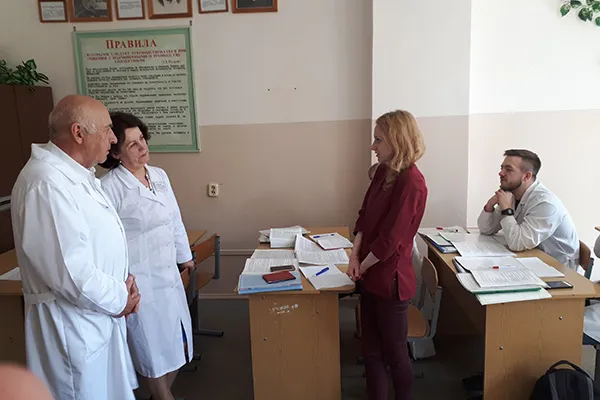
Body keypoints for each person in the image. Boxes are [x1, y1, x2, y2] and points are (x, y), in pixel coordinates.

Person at [10, 95, 140, 400]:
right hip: (72, 327)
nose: (113, 138)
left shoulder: (78, 175)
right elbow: (71, 274)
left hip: (95, 317)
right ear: (78, 132)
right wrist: (120, 299)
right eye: (107, 130)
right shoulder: (45, 183)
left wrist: (122, 284)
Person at [99, 112, 194, 400]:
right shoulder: (109, 187)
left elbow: (174, 218)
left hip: (168, 275)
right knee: (150, 348)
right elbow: (106, 240)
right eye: (132, 144)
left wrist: (185, 256)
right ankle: (163, 397)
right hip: (139, 280)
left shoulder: (159, 175)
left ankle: (161, 395)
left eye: (142, 138)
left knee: (176, 344)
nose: (143, 147)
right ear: (115, 153)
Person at [348, 110, 428, 400]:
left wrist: (362, 264)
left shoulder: (412, 182)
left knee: (394, 353)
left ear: (398, 140)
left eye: (378, 140)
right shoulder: (384, 172)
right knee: (371, 350)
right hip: (369, 271)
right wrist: (355, 256)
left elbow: (390, 240)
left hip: (389, 278)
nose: (373, 146)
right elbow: (363, 216)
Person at [477, 149, 579, 268]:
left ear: (526, 176)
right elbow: (486, 229)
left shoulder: (546, 204)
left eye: (508, 169)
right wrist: (490, 205)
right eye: (502, 168)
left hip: (558, 268)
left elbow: (517, 244)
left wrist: (507, 210)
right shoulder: (512, 195)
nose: (501, 173)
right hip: (529, 258)